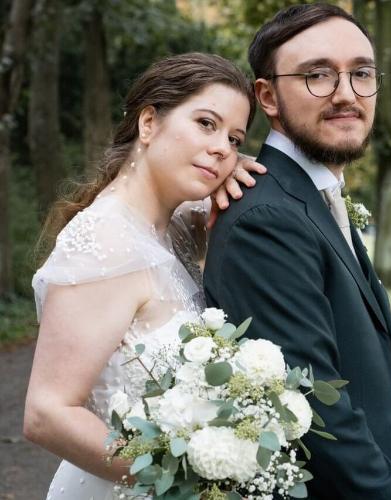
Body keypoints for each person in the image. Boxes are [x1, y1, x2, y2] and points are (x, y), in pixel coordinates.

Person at [204, 4, 391, 500]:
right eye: (317, 75)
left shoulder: (317, 197)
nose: (346, 94)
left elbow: (375, 389)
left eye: (362, 73)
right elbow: (315, 411)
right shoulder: (265, 220)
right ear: (267, 96)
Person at [23, 52, 263, 499]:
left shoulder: (176, 227)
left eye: (234, 138)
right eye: (206, 124)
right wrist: (189, 479)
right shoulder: (104, 241)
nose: (222, 149)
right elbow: (46, 413)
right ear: (148, 123)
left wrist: (248, 175)